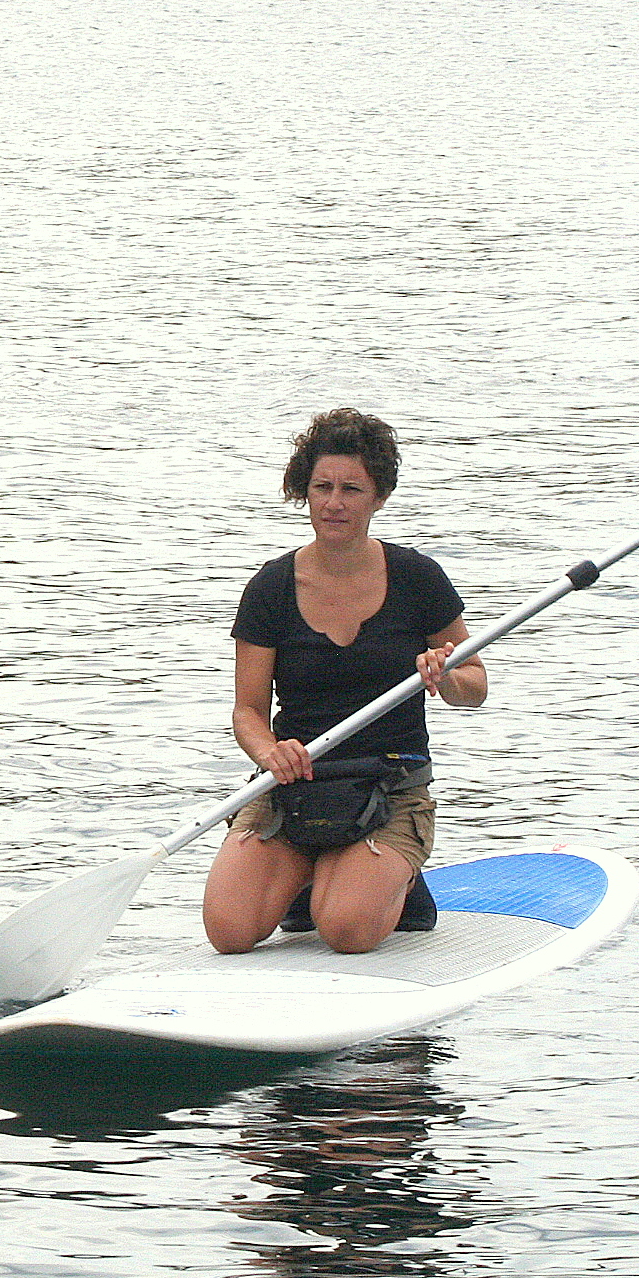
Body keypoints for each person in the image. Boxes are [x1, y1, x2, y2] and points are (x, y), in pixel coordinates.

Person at [202, 409, 489, 957]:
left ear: (379, 497)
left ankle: (394, 884)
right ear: (304, 492)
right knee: (230, 933)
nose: (334, 503)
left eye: (352, 489)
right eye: (322, 488)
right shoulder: (270, 588)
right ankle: (312, 874)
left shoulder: (418, 578)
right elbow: (247, 713)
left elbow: (476, 685)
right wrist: (268, 752)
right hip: (294, 785)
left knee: (346, 932)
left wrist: (447, 675)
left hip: (389, 784)